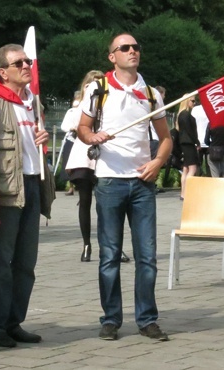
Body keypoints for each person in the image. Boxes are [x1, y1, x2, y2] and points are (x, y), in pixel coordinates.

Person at [77, 33, 171, 342]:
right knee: (110, 255)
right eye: (124, 48)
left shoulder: (150, 93)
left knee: (147, 256)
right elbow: (83, 128)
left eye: (135, 47)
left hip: (142, 183)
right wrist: (92, 138)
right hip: (109, 181)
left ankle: (147, 319)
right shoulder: (98, 89)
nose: (132, 51)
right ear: (112, 57)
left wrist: (157, 163)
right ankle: (111, 319)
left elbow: (166, 138)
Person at [0, 43, 52, 348]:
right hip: (8, 189)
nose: (26, 66)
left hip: (33, 184)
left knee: (26, 261)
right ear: (2, 72)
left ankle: (13, 321)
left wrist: (44, 136)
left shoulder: (32, 101)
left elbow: (32, 143)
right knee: (0, 260)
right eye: (19, 63)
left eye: (28, 61)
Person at [63, 70, 131, 264]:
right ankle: (86, 244)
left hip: (107, 154)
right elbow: (74, 125)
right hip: (84, 155)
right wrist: (85, 102)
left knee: (109, 204)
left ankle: (112, 245)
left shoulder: (113, 103)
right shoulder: (81, 106)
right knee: (85, 202)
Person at [176, 96, 199, 200]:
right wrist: (196, 142)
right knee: (192, 168)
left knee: (185, 169)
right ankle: (187, 193)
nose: (194, 103)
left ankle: (183, 193)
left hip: (184, 143)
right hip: (188, 143)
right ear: (187, 101)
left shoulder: (181, 115)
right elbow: (190, 131)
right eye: (192, 101)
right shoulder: (185, 115)